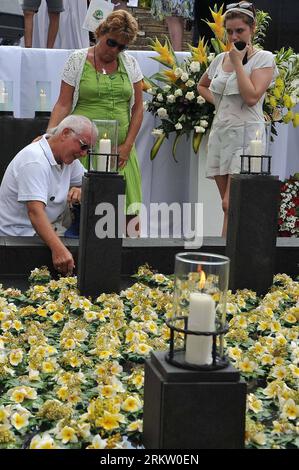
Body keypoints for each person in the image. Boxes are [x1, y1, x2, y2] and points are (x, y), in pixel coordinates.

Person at [47, 9, 143, 235]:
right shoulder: (77, 60)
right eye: (111, 43)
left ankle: (135, 267)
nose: (115, 50)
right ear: (101, 32)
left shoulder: (129, 64)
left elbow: (138, 109)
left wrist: (127, 146)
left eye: (122, 47)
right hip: (83, 151)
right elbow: (63, 104)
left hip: (121, 154)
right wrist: (50, 136)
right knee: (88, 216)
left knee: (129, 215)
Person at [197, 1, 278, 236]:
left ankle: (229, 259)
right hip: (222, 132)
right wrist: (220, 103)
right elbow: (202, 85)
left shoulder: (263, 58)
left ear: (252, 29)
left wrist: (238, 63)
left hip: (247, 135)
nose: (233, 36)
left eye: (239, 31)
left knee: (230, 203)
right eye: (229, 31)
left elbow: (252, 96)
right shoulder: (220, 59)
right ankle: (231, 258)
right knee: (228, 206)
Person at [0, 115, 98, 275]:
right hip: (15, 241)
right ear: (65, 133)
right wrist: (59, 249)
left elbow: (93, 185)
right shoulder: (35, 160)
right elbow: (35, 212)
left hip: (38, 236)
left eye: (89, 149)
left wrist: (82, 188)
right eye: (83, 146)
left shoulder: (67, 159)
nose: (84, 153)